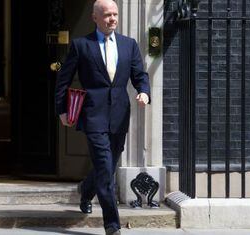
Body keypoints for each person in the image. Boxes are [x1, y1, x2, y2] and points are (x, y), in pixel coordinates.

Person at [54, 0, 150, 234]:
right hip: (93, 115)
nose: (113, 19)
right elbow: (63, 80)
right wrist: (62, 110)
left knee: (107, 166)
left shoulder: (129, 45)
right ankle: (112, 225)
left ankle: (86, 192)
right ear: (95, 17)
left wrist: (144, 91)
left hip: (119, 115)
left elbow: (140, 74)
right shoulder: (81, 45)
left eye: (115, 14)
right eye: (107, 15)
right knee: (106, 170)